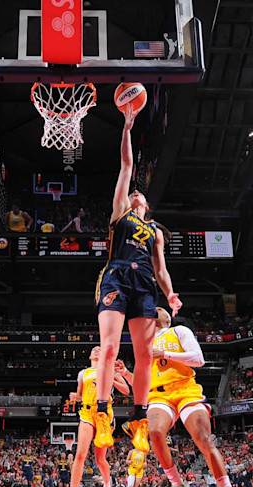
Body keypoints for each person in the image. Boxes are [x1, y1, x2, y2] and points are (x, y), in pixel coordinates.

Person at [93, 107, 182, 454]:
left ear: (147, 204)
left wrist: (171, 295)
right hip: (117, 278)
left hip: (145, 285)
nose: (135, 195)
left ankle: (139, 419)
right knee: (111, 348)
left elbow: (161, 269)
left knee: (144, 356)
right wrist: (127, 128)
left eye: (140, 196)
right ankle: (103, 413)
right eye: (133, 194)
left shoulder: (155, 231)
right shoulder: (120, 215)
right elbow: (127, 166)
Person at [118, 306, 245, 487]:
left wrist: (165, 353)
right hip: (158, 395)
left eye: (159, 308)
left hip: (185, 389)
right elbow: (142, 381)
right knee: (156, 432)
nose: (155, 309)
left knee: (204, 439)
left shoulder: (179, 331)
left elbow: (198, 359)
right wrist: (126, 374)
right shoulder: (143, 343)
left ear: (167, 317)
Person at [58, 346, 130, 487]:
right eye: (94, 349)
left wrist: (110, 378)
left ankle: (107, 485)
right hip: (87, 412)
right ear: (90, 355)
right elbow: (81, 396)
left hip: (104, 413)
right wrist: (76, 397)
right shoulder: (83, 373)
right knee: (80, 454)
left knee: (99, 459)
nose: (97, 350)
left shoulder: (109, 369)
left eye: (100, 349)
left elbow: (126, 390)